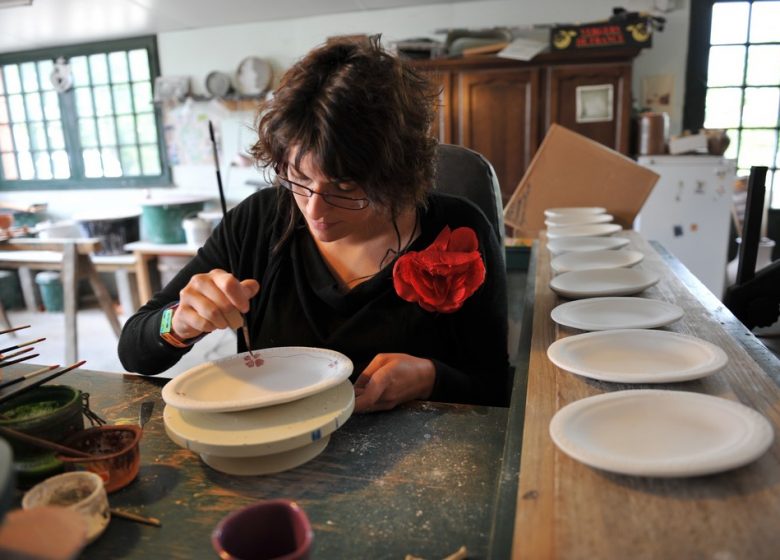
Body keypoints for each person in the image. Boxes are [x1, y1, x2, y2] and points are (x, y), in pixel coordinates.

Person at [118, 36, 509, 412]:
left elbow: (495, 387)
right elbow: (134, 350)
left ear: (395, 177)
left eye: (345, 187)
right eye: (299, 178)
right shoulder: (257, 221)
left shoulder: (458, 232)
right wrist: (180, 322)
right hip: (274, 449)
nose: (315, 209)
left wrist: (430, 378)